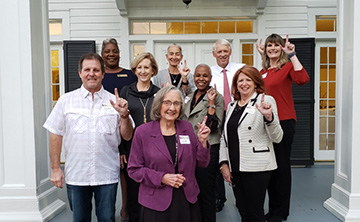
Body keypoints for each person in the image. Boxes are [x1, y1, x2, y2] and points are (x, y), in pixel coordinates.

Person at [43, 52, 134, 222]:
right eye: (87, 70)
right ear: (80, 73)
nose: (91, 73)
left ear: (103, 73)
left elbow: (127, 135)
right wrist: (56, 168)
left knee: (107, 218)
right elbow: (55, 133)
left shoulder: (115, 102)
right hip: (77, 175)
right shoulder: (66, 101)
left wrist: (124, 116)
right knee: (79, 219)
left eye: (96, 70)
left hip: (106, 174)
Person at [127, 86, 211, 222]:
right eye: (167, 102)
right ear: (159, 105)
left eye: (176, 103)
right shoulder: (142, 132)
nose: (172, 108)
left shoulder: (187, 128)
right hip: (156, 202)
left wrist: (202, 142)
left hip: (186, 199)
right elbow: (134, 170)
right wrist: (162, 178)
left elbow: (202, 162)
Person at [219, 65, 283, 222]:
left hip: (257, 167)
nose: (244, 83)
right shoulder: (232, 105)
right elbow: (224, 137)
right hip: (236, 166)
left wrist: (269, 118)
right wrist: (224, 163)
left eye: (248, 79)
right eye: (240, 80)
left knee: (255, 212)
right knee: (242, 210)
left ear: (256, 83)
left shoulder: (265, 100)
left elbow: (277, 137)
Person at [256, 34, 309, 222]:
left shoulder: (287, 67)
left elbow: (303, 79)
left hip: (284, 121)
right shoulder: (263, 71)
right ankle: (272, 209)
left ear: (281, 48)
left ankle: (280, 212)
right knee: (270, 166)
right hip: (266, 122)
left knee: (282, 167)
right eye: (269, 45)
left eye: (276, 45)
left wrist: (292, 54)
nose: (272, 48)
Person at [120, 52, 160, 222]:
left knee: (154, 188)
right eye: (140, 67)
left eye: (147, 68)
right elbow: (120, 122)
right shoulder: (126, 91)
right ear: (135, 70)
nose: (143, 71)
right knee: (133, 190)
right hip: (131, 148)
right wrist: (121, 149)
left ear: (153, 71)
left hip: (155, 149)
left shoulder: (159, 93)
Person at [101, 37, 137, 222]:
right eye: (107, 51)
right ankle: (106, 211)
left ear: (119, 53)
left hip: (127, 128)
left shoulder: (131, 75)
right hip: (105, 133)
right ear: (102, 54)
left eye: (114, 50)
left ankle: (125, 209)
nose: (111, 54)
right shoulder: (98, 76)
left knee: (127, 172)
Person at [183, 64, 224, 222]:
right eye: (198, 75)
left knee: (206, 192)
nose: (201, 79)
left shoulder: (217, 97)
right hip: (190, 150)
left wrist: (212, 104)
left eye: (205, 76)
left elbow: (213, 126)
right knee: (192, 190)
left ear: (211, 78)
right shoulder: (191, 96)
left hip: (208, 148)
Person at [210, 38, 245, 211]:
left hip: (237, 115)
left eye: (226, 51)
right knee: (217, 155)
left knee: (238, 155)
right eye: (219, 51)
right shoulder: (208, 72)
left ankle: (242, 197)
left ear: (230, 52)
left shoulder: (241, 69)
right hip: (217, 116)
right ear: (214, 54)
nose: (223, 54)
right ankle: (219, 198)